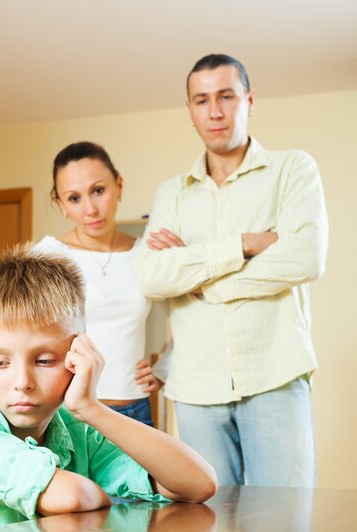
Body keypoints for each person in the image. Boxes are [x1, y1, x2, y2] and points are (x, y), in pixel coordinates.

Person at [0, 243, 216, 532]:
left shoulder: (75, 429)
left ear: (78, 356)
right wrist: (98, 495)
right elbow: (73, 497)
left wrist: (91, 408)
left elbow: (197, 483)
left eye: (44, 361)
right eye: (0, 362)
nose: (22, 381)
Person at [134, 53, 328, 488]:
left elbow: (305, 258)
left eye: (226, 96)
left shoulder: (292, 169)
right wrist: (245, 244)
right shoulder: (172, 194)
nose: (215, 111)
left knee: (283, 528)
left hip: (274, 375)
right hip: (196, 388)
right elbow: (151, 277)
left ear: (249, 99)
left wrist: (203, 279)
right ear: (190, 110)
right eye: (201, 100)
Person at [35, 141, 166, 427]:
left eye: (98, 190)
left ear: (118, 185)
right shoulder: (46, 257)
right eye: (74, 198)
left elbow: (189, 316)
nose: (90, 209)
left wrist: (163, 369)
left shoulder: (147, 254)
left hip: (134, 409)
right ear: (60, 204)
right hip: (68, 413)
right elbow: (20, 334)